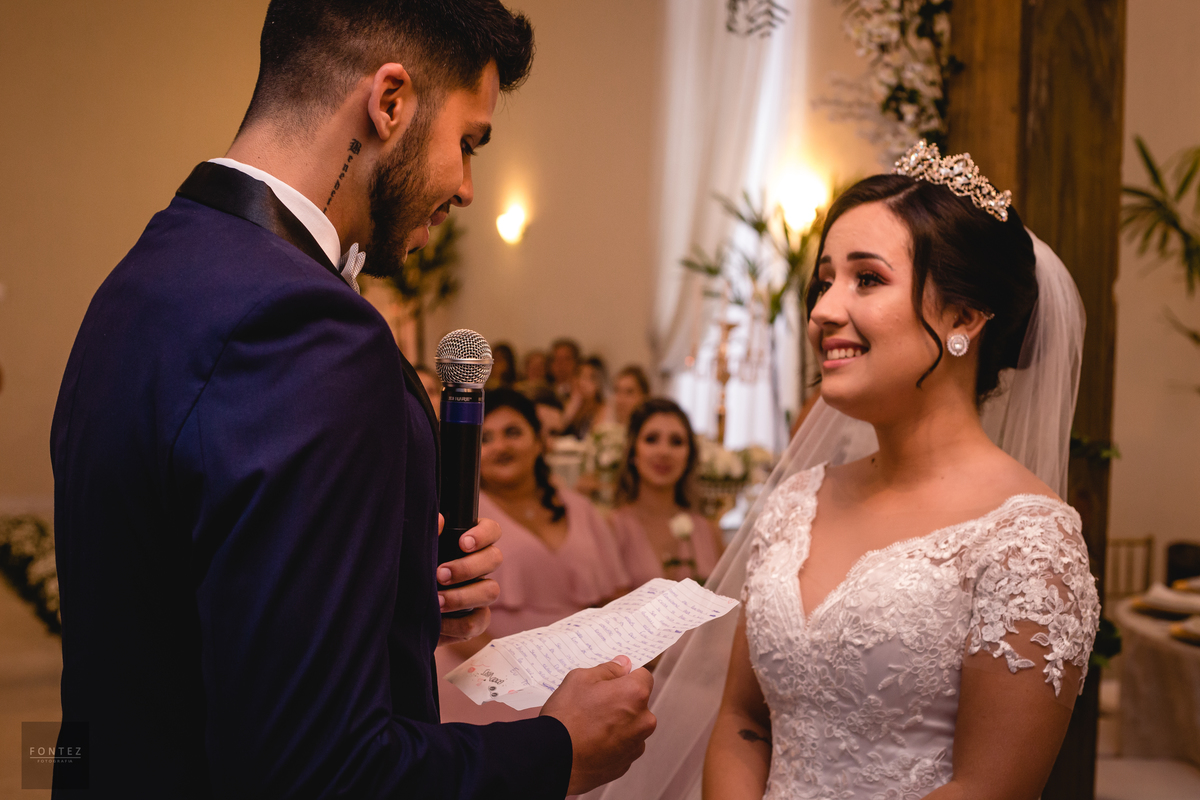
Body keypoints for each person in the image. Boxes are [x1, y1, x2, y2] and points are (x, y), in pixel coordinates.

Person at [50, 2, 654, 797]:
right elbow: (316, 768)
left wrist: (392, 597)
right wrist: (557, 750)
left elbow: (182, 598)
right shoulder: (307, 329)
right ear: (390, 102)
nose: (467, 188)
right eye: (468, 143)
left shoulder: (145, 275)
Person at [589, 142, 1100, 800]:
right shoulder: (795, 504)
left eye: (867, 279)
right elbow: (745, 721)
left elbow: (987, 787)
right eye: (825, 281)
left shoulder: (1030, 542)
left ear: (963, 317)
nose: (823, 311)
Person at [436, 389, 632, 725]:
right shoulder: (459, 520)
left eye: (513, 432)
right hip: (486, 677)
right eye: (486, 438)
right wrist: (521, 678)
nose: (501, 446)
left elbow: (614, 601)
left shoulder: (581, 509)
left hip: (578, 675)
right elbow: (450, 614)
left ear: (540, 441)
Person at [609, 398, 721, 587]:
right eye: (651, 439)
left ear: (689, 456)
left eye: (676, 442)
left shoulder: (709, 532)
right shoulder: (612, 529)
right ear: (633, 452)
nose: (664, 452)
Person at [565, 355, 609, 438]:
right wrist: (573, 404)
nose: (581, 382)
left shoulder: (602, 408)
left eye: (588, 378)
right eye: (579, 375)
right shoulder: (573, 404)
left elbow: (596, 437)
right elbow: (559, 429)